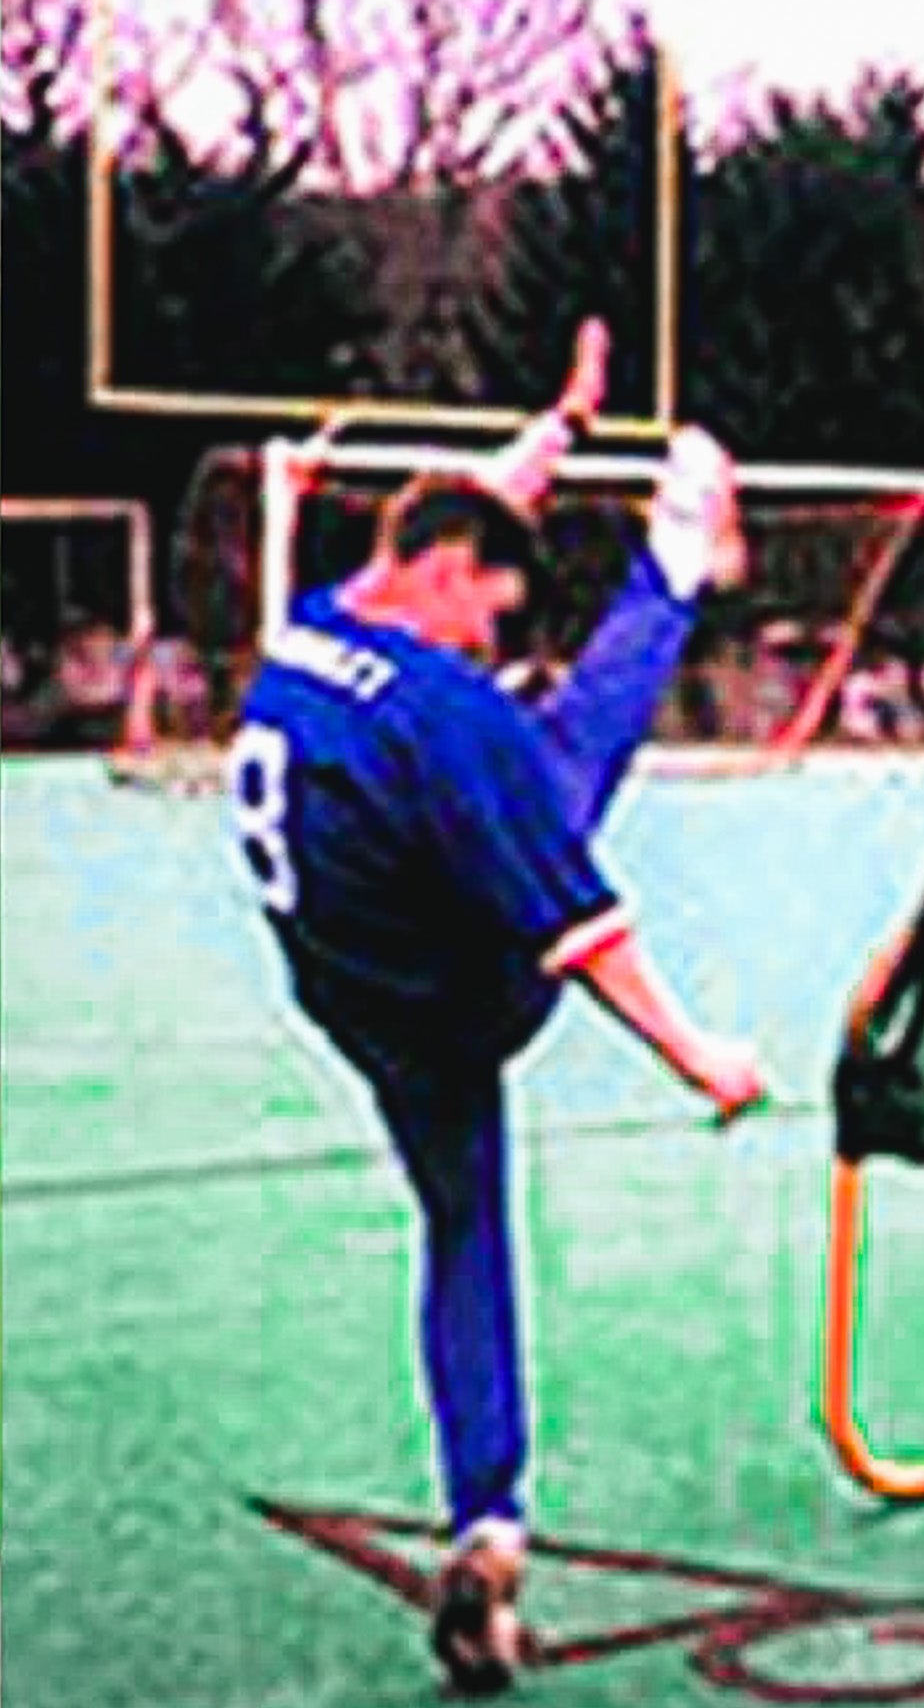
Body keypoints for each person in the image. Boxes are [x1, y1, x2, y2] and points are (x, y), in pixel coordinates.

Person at [224, 320, 767, 1695]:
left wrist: (562, 428)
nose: (492, 640)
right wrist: (700, 1055)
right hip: (467, 992)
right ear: (449, 578)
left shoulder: (315, 624)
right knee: (571, 748)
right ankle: (676, 562)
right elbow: (586, 933)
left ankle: (488, 1519)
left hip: (357, 990)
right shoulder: (448, 713)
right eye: (490, 613)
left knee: (462, 1224)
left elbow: (470, 512)